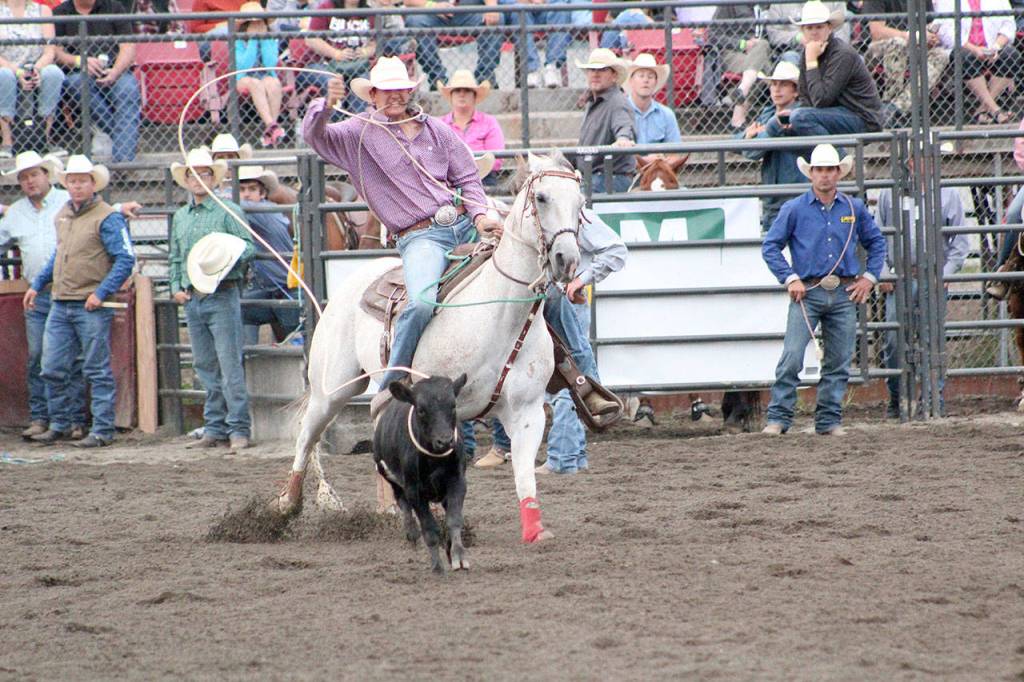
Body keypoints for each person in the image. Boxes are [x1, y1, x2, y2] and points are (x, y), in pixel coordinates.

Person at [301, 57, 501, 412]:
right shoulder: (357, 134)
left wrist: (482, 214)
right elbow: (317, 137)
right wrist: (324, 106)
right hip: (421, 235)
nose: (395, 97)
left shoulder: (436, 130)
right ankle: (392, 380)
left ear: (410, 90)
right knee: (421, 303)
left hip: (463, 221)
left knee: (528, 268)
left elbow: (468, 177)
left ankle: (573, 372)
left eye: (400, 90)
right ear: (373, 95)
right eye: (386, 91)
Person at [470, 208, 628, 474]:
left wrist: (580, 280)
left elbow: (615, 250)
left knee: (569, 371)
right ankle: (572, 455)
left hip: (559, 296)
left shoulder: (577, 215)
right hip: (551, 296)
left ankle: (562, 457)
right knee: (568, 369)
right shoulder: (553, 214)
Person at [760, 144, 886, 436]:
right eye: (820, 170)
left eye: (830, 170)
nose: (825, 176)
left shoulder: (854, 208)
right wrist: (789, 277)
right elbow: (771, 246)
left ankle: (828, 420)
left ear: (838, 173)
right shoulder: (794, 209)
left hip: (844, 292)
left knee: (838, 360)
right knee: (792, 355)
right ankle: (779, 417)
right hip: (809, 291)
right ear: (811, 174)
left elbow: (876, 242)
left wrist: (869, 277)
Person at [23, 154, 136, 447]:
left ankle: (100, 429)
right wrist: (38, 284)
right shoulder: (64, 215)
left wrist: (100, 292)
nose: (76, 186)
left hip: (88, 302)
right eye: (72, 181)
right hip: (63, 300)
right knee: (52, 366)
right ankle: (63, 422)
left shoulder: (107, 216)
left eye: (81, 181)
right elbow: (59, 255)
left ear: (92, 183)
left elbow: (125, 259)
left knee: (95, 368)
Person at [169, 148, 255, 449]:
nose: (198, 179)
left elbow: (248, 246)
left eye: (204, 173)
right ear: (187, 179)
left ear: (213, 178)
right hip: (194, 298)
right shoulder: (181, 217)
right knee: (206, 365)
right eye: (193, 174)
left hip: (222, 293)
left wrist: (223, 261)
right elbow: (177, 257)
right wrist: (176, 285)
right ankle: (217, 426)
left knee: (229, 365)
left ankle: (237, 428)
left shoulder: (228, 210)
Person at [0, 152, 86, 440]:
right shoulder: (15, 213)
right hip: (39, 294)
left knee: (68, 357)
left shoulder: (67, 201)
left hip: (69, 291)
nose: (29, 181)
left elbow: (97, 214)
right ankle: (43, 416)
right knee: (39, 357)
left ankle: (72, 418)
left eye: (34, 175)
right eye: (23, 177)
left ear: (46, 175)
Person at [875, 173, 968, 417]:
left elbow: (960, 242)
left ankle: (931, 399)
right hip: (899, 276)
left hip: (932, 275)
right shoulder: (889, 193)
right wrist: (884, 271)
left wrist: (945, 273)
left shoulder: (948, 194)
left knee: (931, 339)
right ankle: (898, 397)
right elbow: (877, 237)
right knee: (894, 342)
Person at [53, 0, 141, 163]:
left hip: (116, 70)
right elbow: (56, 52)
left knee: (128, 90)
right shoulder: (60, 12)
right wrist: (80, 61)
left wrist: (115, 71)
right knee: (75, 83)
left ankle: (123, 163)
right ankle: (125, 139)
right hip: (79, 72)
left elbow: (128, 47)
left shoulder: (114, 7)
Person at [790, 1, 884, 137]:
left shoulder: (842, 53)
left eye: (819, 27)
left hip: (862, 118)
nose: (814, 33)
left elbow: (821, 100)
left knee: (800, 118)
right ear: (803, 31)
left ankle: (841, 158)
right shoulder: (808, 52)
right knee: (778, 124)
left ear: (829, 28)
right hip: (832, 113)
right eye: (809, 28)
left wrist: (811, 61)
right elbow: (805, 97)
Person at [736, 60, 808, 231]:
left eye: (783, 85)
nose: (776, 89)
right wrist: (747, 135)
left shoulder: (799, 115)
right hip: (774, 195)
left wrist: (756, 135)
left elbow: (752, 152)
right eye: (774, 84)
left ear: (795, 91)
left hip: (795, 193)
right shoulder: (768, 112)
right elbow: (741, 143)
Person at [303, 0, 409, 114]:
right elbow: (311, 38)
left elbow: (375, 41)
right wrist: (335, 53)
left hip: (359, 66)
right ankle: (334, 123)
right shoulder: (326, 7)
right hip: (326, 64)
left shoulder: (369, 10)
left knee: (365, 81)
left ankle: (358, 120)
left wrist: (365, 51)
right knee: (333, 82)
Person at [236, 164, 301, 345]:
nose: (247, 194)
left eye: (252, 189)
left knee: (296, 338)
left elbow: (233, 205)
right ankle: (248, 360)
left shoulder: (259, 211)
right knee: (240, 311)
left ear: (262, 193)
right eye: (241, 189)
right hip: (267, 288)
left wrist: (226, 193)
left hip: (286, 288)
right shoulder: (269, 210)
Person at [934, 0, 1019, 124]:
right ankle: (995, 109)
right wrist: (975, 50)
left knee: (1012, 55)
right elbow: (947, 32)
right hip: (963, 47)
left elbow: (1008, 25)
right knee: (966, 57)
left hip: (991, 46)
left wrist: (995, 47)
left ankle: (983, 109)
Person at [0, 0, 66, 158]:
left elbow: (50, 51)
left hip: (37, 65)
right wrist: (17, 71)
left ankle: (43, 138)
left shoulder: (43, 10)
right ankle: (7, 141)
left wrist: (36, 69)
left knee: (53, 73)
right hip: (7, 66)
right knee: (4, 75)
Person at [862, 0, 949, 119]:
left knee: (941, 55)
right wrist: (910, 36)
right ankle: (889, 99)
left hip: (914, 47)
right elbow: (877, 32)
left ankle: (894, 108)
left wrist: (929, 38)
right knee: (899, 43)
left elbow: (929, 26)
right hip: (878, 49)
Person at [403, 0, 502, 91]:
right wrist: (434, 6)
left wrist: (492, 7)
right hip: (433, 14)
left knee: (498, 17)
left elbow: (492, 7)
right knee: (414, 21)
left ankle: (486, 78)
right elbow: (408, 1)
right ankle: (437, 79)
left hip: (468, 11)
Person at [574, 48, 635, 194]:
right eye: (592, 69)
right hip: (595, 177)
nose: (595, 74)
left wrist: (623, 138)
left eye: (602, 69)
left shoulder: (617, 102)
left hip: (609, 179)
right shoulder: (593, 103)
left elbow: (623, 124)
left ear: (614, 76)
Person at [708, 3, 773, 131]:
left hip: (762, 54)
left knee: (762, 46)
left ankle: (740, 97)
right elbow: (713, 36)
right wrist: (743, 44)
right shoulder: (729, 4)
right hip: (732, 54)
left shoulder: (767, 5)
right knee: (759, 69)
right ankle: (741, 97)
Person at [436, 71, 504, 186]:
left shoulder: (489, 122)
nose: (462, 94)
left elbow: (496, 160)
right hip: (448, 179)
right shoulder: (440, 125)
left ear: (474, 96)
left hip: (483, 177)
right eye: (457, 90)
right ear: (451, 96)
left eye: (467, 90)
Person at [487, 0, 573, 89]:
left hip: (545, 7)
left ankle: (552, 67)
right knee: (518, 10)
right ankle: (532, 70)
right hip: (519, 8)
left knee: (561, 8)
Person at [233, 3, 285, 147]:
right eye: (253, 23)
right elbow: (245, 65)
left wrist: (262, 39)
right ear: (246, 25)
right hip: (244, 77)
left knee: (274, 83)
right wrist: (253, 40)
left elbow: (270, 64)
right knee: (255, 83)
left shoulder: (270, 39)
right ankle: (272, 126)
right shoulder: (237, 41)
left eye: (260, 22)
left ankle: (270, 131)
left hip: (265, 75)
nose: (257, 26)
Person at [625, 53, 684, 168]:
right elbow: (615, 157)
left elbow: (675, 154)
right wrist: (645, 161)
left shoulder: (667, 114)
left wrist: (660, 163)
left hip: (658, 173)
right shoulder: (620, 112)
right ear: (631, 81)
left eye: (650, 77)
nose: (645, 80)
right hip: (627, 174)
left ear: (656, 82)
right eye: (641, 76)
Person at [764, 1, 850, 66]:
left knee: (847, 57)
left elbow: (842, 35)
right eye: (809, 27)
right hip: (795, 52)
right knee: (789, 57)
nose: (814, 31)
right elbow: (774, 34)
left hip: (831, 51)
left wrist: (824, 44)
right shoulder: (779, 4)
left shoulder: (836, 3)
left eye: (819, 27)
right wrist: (798, 37)